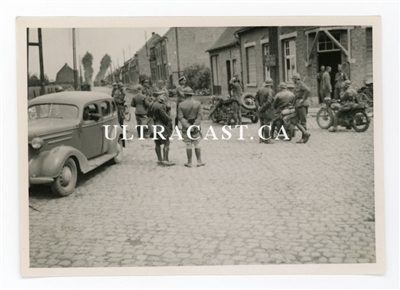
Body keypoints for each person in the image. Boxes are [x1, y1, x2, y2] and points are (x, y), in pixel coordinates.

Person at [178, 87, 205, 167]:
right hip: (195, 127)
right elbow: (200, 116)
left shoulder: (181, 105)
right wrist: (194, 125)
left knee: (188, 144)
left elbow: (181, 118)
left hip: (186, 128)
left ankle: (189, 162)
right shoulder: (198, 103)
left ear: (185, 95)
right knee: (196, 143)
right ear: (192, 94)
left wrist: (188, 126)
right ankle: (199, 161)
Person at [149, 94, 174, 166]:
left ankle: (159, 160)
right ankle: (165, 160)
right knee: (166, 143)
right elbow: (165, 117)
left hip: (154, 125)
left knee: (157, 143)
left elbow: (148, 114)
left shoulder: (152, 104)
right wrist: (170, 118)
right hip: (161, 126)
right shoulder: (161, 106)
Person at [255, 77, 275, 144]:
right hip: (267, 110)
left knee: (261, 124)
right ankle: (267, 140)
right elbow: (269, 101)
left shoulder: (260, 89)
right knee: (267, 124)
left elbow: (256, 99)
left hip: (260, 110)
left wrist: (258, 107)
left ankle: (261, 139)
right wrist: (262, 108)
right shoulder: (270, 91)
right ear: (271, 84)